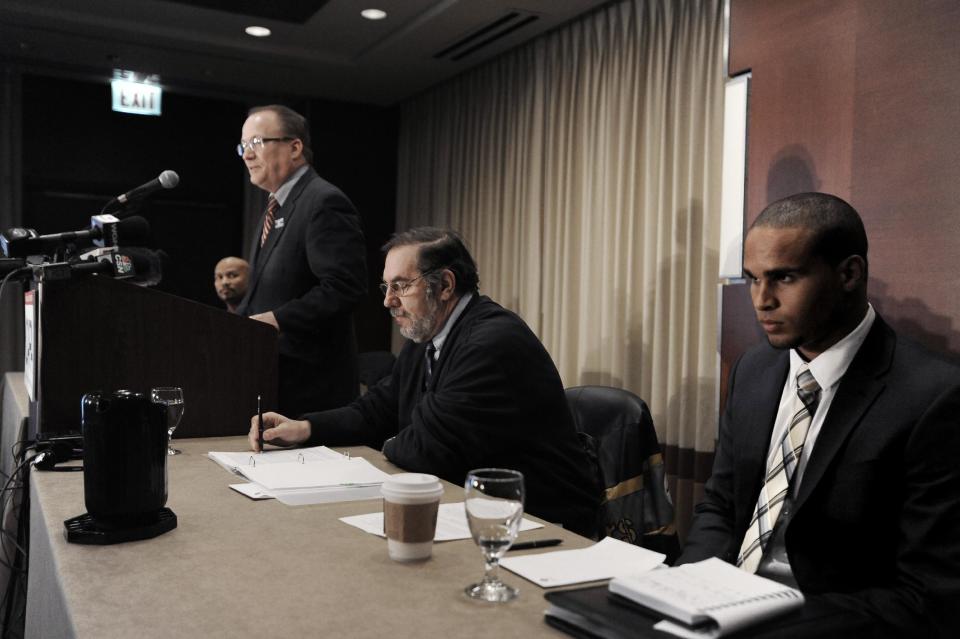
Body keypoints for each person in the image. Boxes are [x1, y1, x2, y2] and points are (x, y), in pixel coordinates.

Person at [678, 192, 960, 636]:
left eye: (783, 278)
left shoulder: (934, 397)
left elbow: (926, 595)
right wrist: (685, 594)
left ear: (849, 273)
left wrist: (767, 623)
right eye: (752, 279)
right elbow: (722, 503)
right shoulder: (754, 369)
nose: (761, 299)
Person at [249, 228, 601, 537]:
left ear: (445, 285)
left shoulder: (491, 344)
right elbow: (378, 408)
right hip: (475, 508)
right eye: (386, 287)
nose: (388, 301)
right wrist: (306, 428)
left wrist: (390, 440)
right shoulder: (426, 336)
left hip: (543, 524)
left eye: (401, 286)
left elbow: (428, 450)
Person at [235, 105, 367, 417]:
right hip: (272, 376)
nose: (246, 155)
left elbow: (345, 288)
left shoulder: (323, 201)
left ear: (294, 147)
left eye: (256, 143)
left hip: (311, 389)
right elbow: (260, 295)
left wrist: (276, 319)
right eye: (243, 146)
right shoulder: (275, 207)